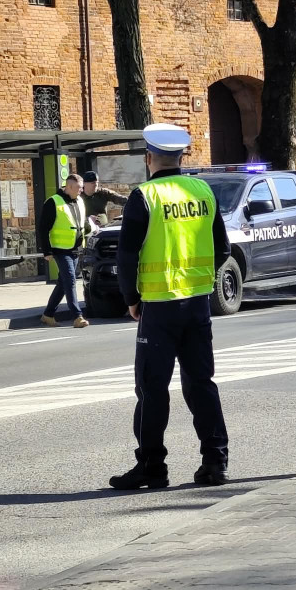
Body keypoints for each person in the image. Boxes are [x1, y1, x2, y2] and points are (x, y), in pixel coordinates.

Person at [110, 123, 231, 490]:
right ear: (181, 157)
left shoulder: (144, 197)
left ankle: (152, 466)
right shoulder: (203, 191)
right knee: (201, 384)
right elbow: (223, 249)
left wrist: (131, 299)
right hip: (197, 304)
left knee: (152, 389)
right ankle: (215, 462)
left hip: (159, 307)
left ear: (149, 157)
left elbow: (126, 256)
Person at [38, 173, 94, 329]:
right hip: (60, 249)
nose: (81, 190)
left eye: (82, 188)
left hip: (76, 248)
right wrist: (47, 251)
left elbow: (82, 222)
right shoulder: (53, 202)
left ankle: (48, 315)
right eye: (79, 188)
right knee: (70, 280)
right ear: (69, 187)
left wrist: (91, 228)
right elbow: (43, 228)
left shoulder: (80, 201)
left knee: (63, 283)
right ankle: (77, 316)